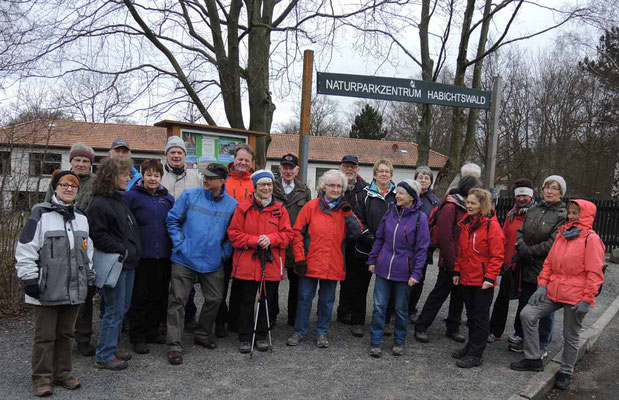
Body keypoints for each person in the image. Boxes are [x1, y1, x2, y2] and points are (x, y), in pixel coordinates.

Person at [511, 200, 605, 391]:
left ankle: (566, 371)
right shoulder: (562, 235)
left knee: (570, 334)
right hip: (554, 289)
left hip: (576, 295)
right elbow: (549, 264)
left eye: (575, 213)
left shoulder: (591, 239)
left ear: (585, 215)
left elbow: (595, 273)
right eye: (570, 212)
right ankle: (533, 358)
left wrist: (587, 299)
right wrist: (542, 286)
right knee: (528, 314)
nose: (570, 216)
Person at [16, 170, 94, 396]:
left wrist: (90, 277)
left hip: (73, 287)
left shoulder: (81, 217)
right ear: (55, 188)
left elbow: (87, 251)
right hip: (46, 288)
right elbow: (26, 248)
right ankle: (42, 377)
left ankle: (63, 373)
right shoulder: (40, 214)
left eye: (73, 186)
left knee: (67, 334)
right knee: (45, 336)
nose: (69, 189)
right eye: (64, 185)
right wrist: (29, 278)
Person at [165, 163, 237, 365]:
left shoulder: (232, 205)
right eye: (204, 176)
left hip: (213, 262)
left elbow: (233, 234)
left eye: (210, 177)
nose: (205, 180)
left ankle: (202, 333)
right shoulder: (190, 196)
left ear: (222, 181)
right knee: (177, 300)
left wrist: (223, 253)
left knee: (215, 299)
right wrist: (180, 244)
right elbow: (172, 220)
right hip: (184, 258)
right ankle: (174, 345)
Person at [287, 170, 363, 348]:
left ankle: (322, 332)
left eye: (339, 186)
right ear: (323, 187)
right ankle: (300, 331)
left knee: (327, 301)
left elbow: (357, 232)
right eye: (332, 185)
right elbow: (296, 233)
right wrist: (299, 257)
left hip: (332, 263)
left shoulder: (345, 210)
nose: (335, 189)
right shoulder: (311, 207)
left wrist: (348, 213)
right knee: (304, 299)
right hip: (310, 263)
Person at [228, 170, 294, 353]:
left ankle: (262, 335)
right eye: (262, 185)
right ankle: (245, 336)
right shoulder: (243, 208)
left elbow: (288, 234)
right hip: (248, 263)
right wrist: (254, 240)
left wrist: (271, 239)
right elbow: (234, 234)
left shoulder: (281, 209)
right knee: (246, 300)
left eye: (269, 184)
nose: (266, 188)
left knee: (267, 300)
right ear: (255, 187)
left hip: (270, 263)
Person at [43, 142, 97, 357]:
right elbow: (47, 207)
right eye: (78, 160)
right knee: (61, 290)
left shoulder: (96, 183)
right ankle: (59, 336)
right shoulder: (61, 181)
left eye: (85, 161)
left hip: (87, 241)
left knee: (84, 293)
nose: (81, 164)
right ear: (71, 161)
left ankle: (83, 337)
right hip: (60, 243)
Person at [89, 157, 142, 370]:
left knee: (122, 307)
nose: (129, 177)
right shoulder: (99, 203)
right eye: (125, 174)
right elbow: (98, 235)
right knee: (113, 309)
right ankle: (104, 355)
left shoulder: (119, 199)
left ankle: (112, 346)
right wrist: (124, 250)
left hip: (127, 264)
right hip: (115, 264)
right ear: (112, 177)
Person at [414, 175, 481, 343]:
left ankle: (453, 326)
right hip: (450, 262)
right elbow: (445, 237)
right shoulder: (451, 207)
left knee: (458, 296)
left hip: (463, 262)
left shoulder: (467, 207)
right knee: (439, 294)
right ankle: (421, 326)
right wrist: (453, 264)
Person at [367, 179, 430, 357]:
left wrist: (416, 273)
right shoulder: (390, 212)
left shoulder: (420, 218)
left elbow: (422, 249)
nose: (397, 195)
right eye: (397, 192)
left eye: (401, 193)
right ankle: (376, 341)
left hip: (405, 272)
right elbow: (380, 239)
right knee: (379, 307)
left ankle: (399, 341)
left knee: (401, 309)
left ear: (411, 197)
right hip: (383, 268)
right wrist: (372, 260)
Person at [508, 175, 567, 355]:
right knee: (525, 302)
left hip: (546, 266)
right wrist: (521, 246)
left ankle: (542, 343)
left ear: (561, 192)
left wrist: (531, 251)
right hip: (527, 264)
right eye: (547, 187)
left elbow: (554, 242)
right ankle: (523, 336)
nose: (549, 191)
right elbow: (520, 231)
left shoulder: (562, 214)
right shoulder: (533, 209)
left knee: (544, 307)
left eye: (554, 188)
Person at [125, 159, 174, 354]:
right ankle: (137, 336)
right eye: (149, 174)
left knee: (159, 296)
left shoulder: (168, 199)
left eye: (156, 175)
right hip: (140, 256)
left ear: (161, 177)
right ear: (142, 175)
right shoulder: (131, 197)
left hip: (163, 255)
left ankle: (153, 331)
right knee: (138, 297)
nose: (152, 178)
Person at [451, 188, 505, 368]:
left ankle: (476, 354)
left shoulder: (492, 226)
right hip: (467, 277)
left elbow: (497, 256)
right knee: (471, 316)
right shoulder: (466, 223)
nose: (469, 206)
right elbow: (462, 252)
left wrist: (490, 278)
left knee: (480, 317)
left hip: (482, 280)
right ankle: (471, 345)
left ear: (482, 205)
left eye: (473, 203)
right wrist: (457, 272)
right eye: (467, 202)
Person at [344, 158, 396, 338]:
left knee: (388, 288)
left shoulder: (398, 195)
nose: (383, 174)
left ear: (391, 175)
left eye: (387, 171)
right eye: (380, 171)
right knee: (360, 287)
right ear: (374, 174)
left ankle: (385, 321)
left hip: (390, 250)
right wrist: (370, 238)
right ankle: (357, 321)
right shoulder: (364, 194)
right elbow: (357, 219)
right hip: (366, 247)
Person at [160, 135, 202, 332]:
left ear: (185, 155)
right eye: (172, 152)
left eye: (179, 152)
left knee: (187, 279)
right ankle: (162, 319)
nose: (176, 155)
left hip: (187, 236)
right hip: (160, 234)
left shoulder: (195, 177)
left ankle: (189, 316)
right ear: (166, 154)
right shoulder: (158, 175)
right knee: (162, 279)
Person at [488, 179, 535, 342]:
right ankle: (495, 330)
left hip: (525, 263)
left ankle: (519, 333)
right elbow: (504, 237)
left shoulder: (535, 214)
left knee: (524, 301)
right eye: (519, 195)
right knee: (502, 299)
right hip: (509, 263)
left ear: (531, 196)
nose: (521, 199)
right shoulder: (511, 214)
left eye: (525, 196)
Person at [218, 143, 255, 336]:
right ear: (233, 160)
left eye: (246, 160)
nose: (242, 163)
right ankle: (219, 320)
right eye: (240, 159)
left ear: (251, 163)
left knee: (242, 284)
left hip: (245, 241)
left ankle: (235, 320)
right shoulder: (223, 180)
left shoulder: (255, 183)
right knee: (220, 283)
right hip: (223, 237)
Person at [272, 153, 312, 327]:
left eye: (291, 168)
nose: (288, 171)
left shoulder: (304, 190)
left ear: (297, 170)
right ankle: (271, 315)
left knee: (297, 284)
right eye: (285, 167)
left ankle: (293, 318)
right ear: (280, 168)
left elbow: (309, 219)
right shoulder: (270, 187)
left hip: (296, 244)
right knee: (272, 282)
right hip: (275, 242)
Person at [336, 154, 368, 325]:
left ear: (357, 169)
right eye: (346, 166)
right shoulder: (333, 186)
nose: (349, 169)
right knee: (338, 277)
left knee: (355, 279)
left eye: (352, 167)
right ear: (340, 167)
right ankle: (341, 309)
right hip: (336, 240)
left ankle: (351, 312)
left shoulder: (365, 189)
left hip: (357, 241)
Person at [408, 166, 440, 323]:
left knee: (418, 280)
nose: (423, 180)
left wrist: (430, 245)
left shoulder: (435, 203)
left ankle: (411, 309)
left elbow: (437, 227)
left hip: (423, 249)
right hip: (405, 248)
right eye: (420, 177)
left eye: (426, 178)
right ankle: (395, 310)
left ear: (431, 182)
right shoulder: (407, 196)